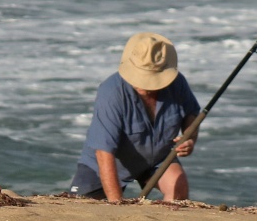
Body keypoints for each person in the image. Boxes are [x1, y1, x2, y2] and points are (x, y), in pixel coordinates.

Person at [70, 32, 200, 203]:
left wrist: (189, 139)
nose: (145, 85)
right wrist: (117, 203)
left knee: (179, 187)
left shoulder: (178, 83)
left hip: (156, 160)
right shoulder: (111, 92)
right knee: (85, 209)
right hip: (107, 164)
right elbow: (104, 152)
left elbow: (192, 113)